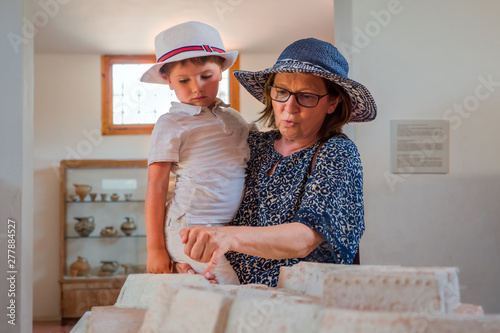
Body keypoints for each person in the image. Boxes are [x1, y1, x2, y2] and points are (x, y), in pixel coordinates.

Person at [176, 37, 377, 287]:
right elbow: (203, 196)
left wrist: (225, 236)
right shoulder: (253, 145)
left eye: (307, 96)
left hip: (297, 304)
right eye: (281, 92)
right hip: (230, 293)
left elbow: (305, 238)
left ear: (333, 103)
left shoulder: (337, 153)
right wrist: (186, 257)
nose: (289, 108)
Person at [142, 21, 250, 285]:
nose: (196, 87)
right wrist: (155, 249)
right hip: (188, 229)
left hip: (227, 229)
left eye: (206, 76)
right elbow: (156, 187)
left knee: (219, 298)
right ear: (168, 81)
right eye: (184, 80)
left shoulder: (235, 119)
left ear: (221, 71)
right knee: (230, 291)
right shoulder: (171, 123)